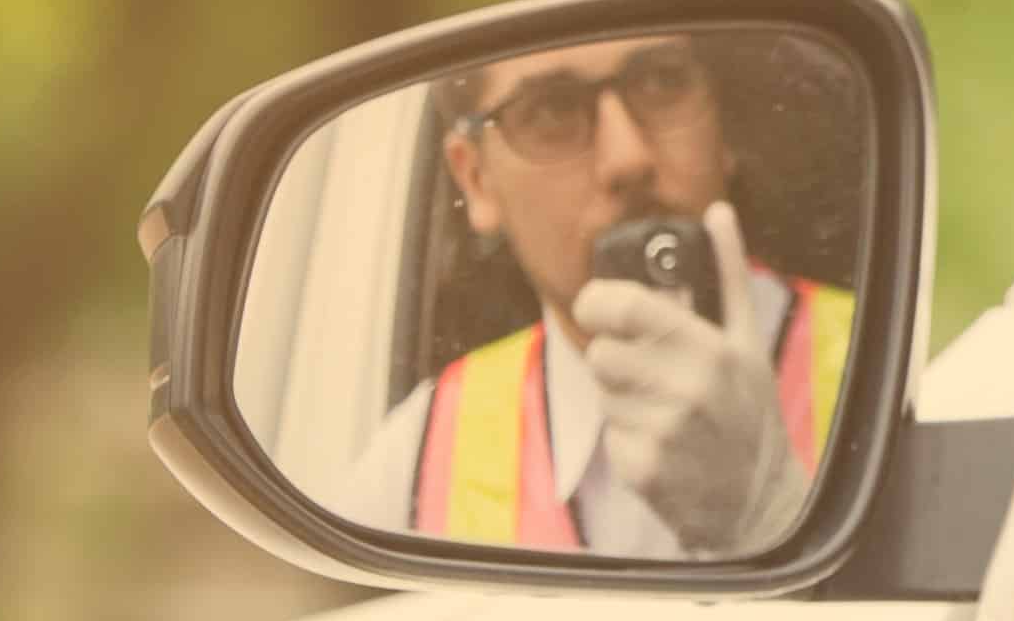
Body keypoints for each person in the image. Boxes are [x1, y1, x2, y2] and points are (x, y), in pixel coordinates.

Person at [320, 31, 854, 555]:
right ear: (477, 179)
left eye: (663, 82)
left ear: (724, 127)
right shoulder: (411, 459)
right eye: (551, 111)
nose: (628, 159)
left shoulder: (883, 359)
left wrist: (772, 515)